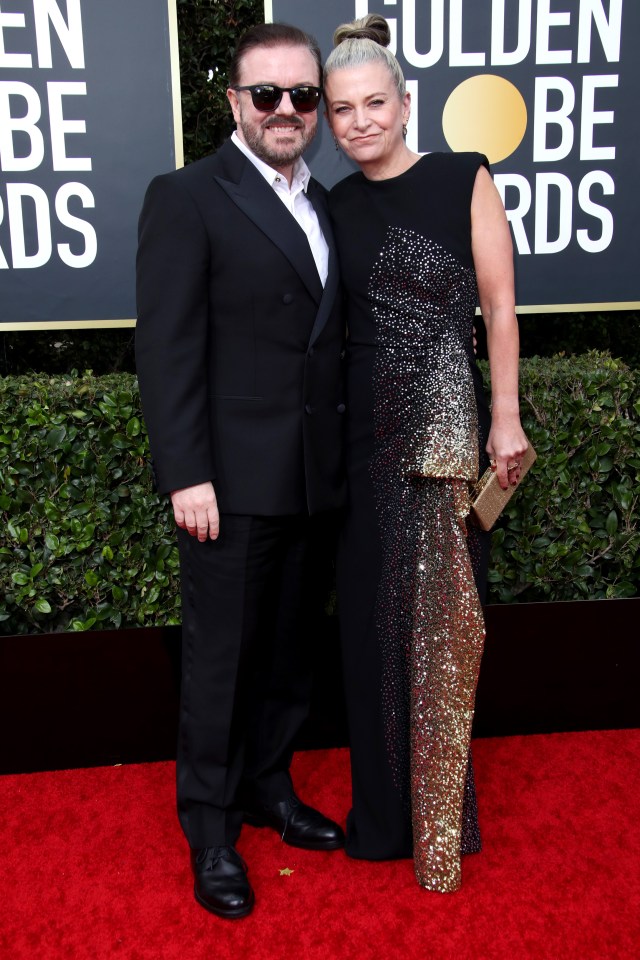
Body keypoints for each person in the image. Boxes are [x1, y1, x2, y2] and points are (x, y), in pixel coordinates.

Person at [135, 22, 346, 920]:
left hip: (313, 480)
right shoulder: (188, 195)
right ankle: (211, 829)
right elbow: (168, 348)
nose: (288, 110)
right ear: (233, 103)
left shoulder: (324, 199)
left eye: (305, 95)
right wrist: (187, 474)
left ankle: (269, 787)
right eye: (269, 95)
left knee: (291, 655)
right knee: (221, 664)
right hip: (226, 487)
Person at [323, 14, 528, 893]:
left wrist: (506, 416)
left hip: (446, 438)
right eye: (342, 110)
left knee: (447, 630)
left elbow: (500, 306)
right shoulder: (330, 208)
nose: (361, 121)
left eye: (375, 102)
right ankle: (382, 822)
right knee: (371, 632)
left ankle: (443, 824)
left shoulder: (461, 178)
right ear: (329, 121)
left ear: (406, 104)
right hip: (363, 445)